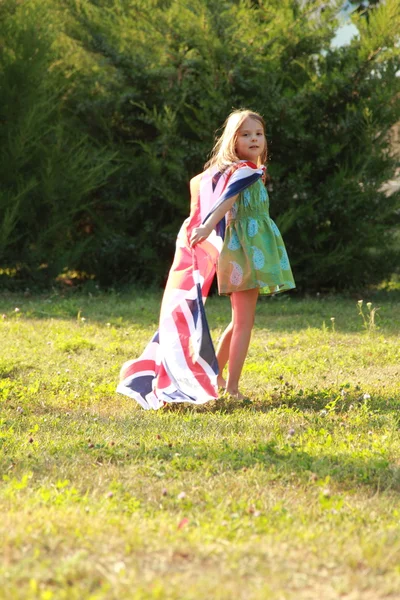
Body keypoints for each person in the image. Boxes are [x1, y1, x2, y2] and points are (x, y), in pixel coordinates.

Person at [117, 109, 295, 409]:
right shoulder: (244, 172)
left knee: (240, 320)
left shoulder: (250, 170)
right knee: (244, 323)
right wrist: (208, 225)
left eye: (258, 134)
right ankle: (232, 387)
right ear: (233, 141)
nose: (254, 139)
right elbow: (227, 200)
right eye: (245, 134)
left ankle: (221, 377)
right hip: (245, 253)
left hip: (252, 250)